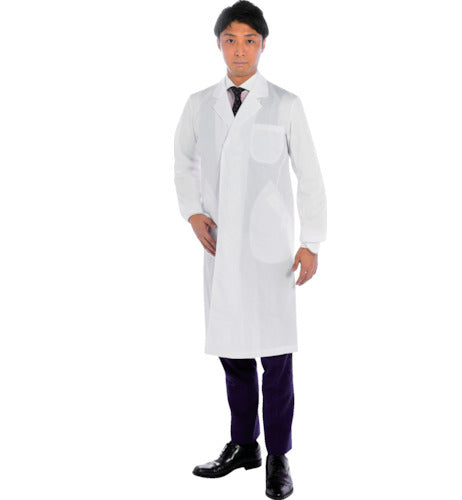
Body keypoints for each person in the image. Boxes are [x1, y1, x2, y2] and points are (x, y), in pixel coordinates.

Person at [173, 1, 327, 498]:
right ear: (218, 44)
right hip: (220, 248)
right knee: (233, 353)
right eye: (231, 40)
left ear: (263, 45)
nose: (240, 50)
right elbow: (183, 161)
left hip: (271, 254)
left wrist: (310, 242)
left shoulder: (285, 104)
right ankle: (244, 445)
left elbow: (310, 175)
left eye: (250, 41)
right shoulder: (200, 103)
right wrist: (192, 211)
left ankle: (278, 455)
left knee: (276, 358)